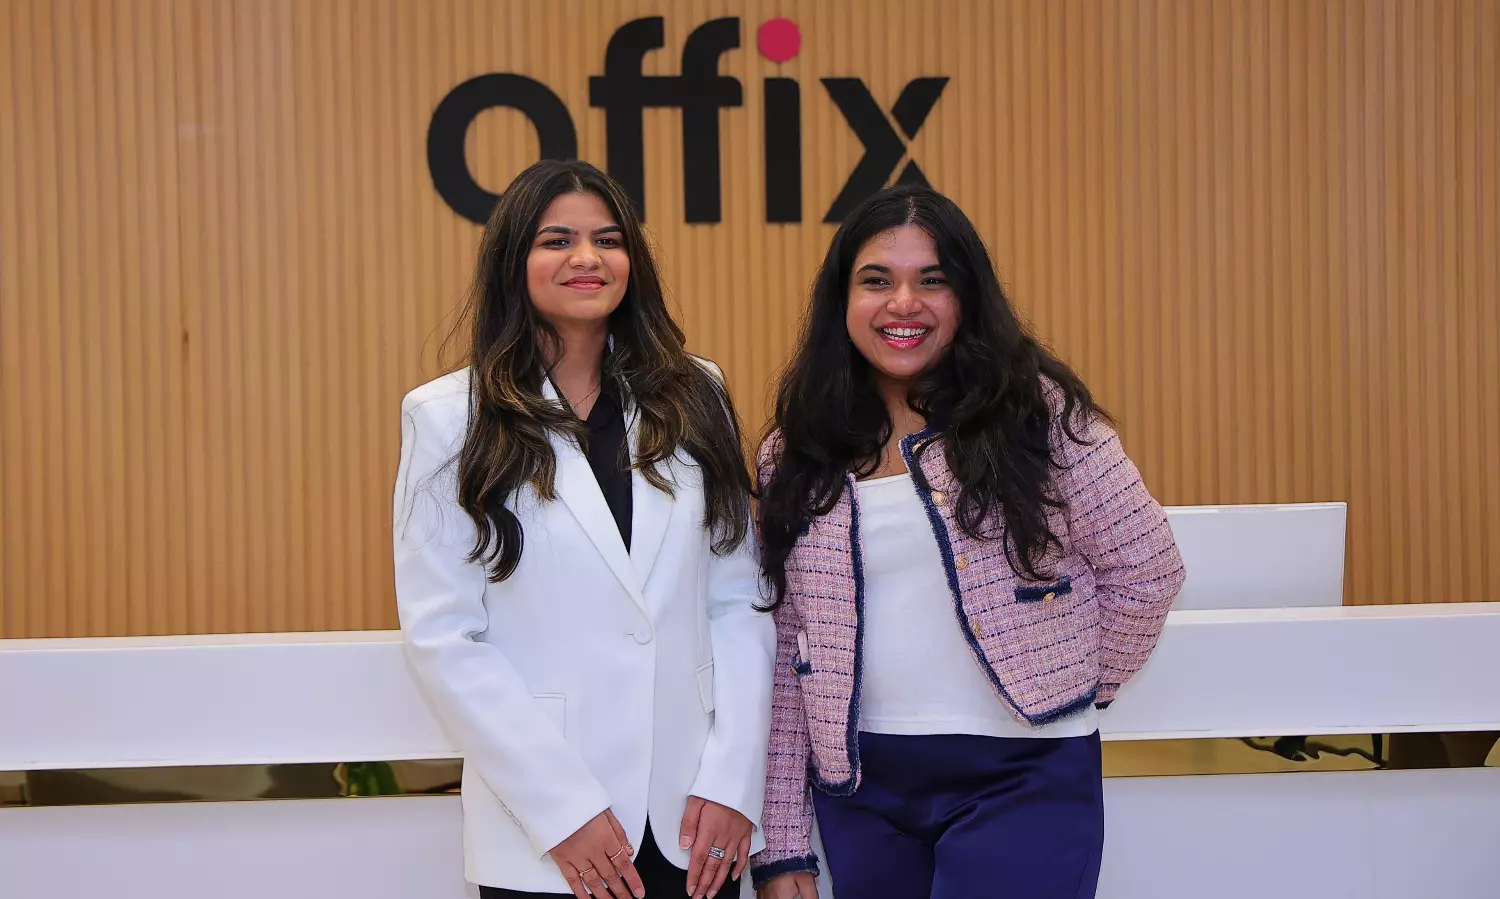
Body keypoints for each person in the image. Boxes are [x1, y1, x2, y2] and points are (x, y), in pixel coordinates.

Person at [749, 185, 1186, 899]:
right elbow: (787, 647)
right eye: (876, 281)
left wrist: (1069, 684)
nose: (903, 304)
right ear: (841, 300)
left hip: (1024, 774)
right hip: (861, 789)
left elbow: (1148, 567)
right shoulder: (796, 451)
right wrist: (783, 843)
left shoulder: (1039, 415)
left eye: (933, 280)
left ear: (967, 296)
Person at [392, 159, 774, 899]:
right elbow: (446, 638)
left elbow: (738, 601)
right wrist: (561, 808)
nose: (587, 258)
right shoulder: (447, 418)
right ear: (514, 260)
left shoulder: (697, 393)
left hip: (695, 822)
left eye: (608, 239)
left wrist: (733, 780)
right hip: (548, 832)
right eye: (557, 240)